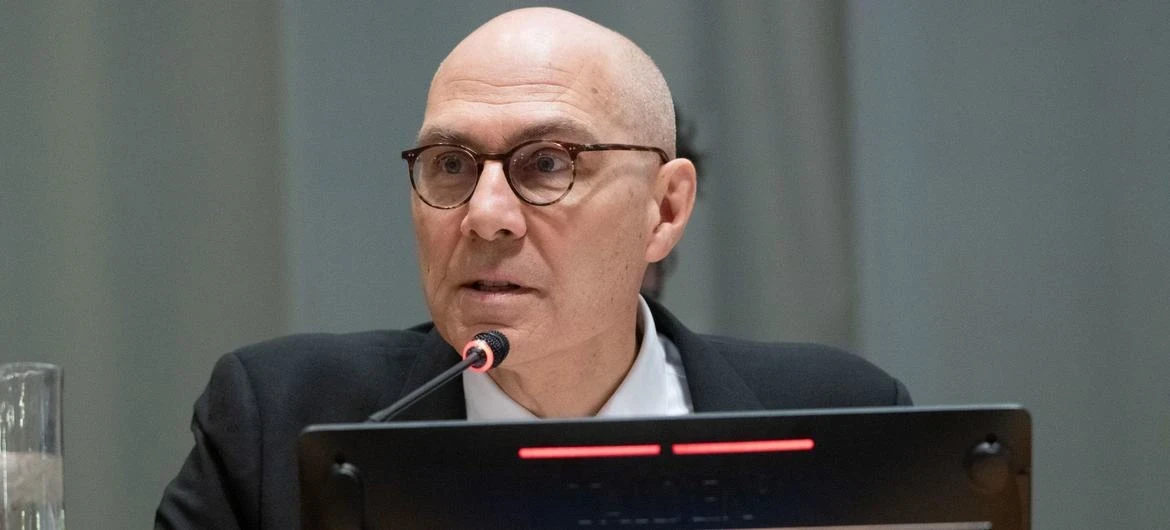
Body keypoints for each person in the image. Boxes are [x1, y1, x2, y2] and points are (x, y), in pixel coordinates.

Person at [155, 7, 910, 529]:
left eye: (548, 163)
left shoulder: (848, 422)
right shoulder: (283, 424)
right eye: (451, 164)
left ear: (664, 209)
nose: (485, 214)